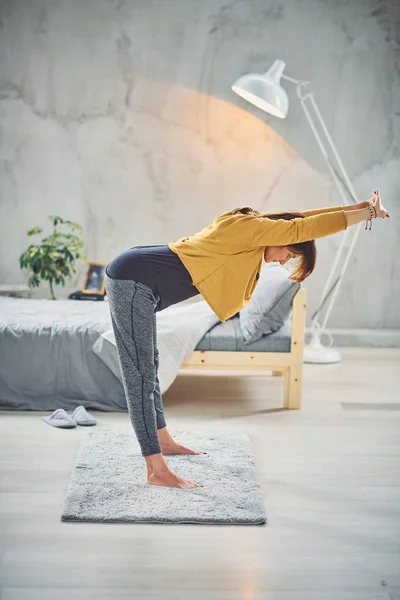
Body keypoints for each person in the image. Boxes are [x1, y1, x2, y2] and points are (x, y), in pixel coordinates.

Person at [105, 189, 389, 490]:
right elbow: (302, 226)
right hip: (132, 278)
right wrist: (366, 215)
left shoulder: (254, 238)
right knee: (139, 374)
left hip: (142, 283)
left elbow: (303, 220)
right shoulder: (248, 228)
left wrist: (364, 207)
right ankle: (155, 470)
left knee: (150, 365)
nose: (282, 262)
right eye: (289, 255)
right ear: (281, 236)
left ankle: (164, 442)